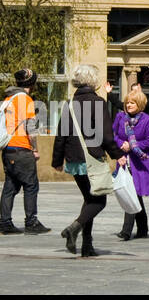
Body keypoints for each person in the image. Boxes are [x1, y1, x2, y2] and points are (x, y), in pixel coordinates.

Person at [52, 65, 124, 258]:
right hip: (92, 158)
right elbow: (107, 136)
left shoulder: (69, 104)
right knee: (99, 201)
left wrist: (57, 160)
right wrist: (118, 155)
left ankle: (86, 245)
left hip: (74, 160)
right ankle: (73, 228)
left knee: (89, 200)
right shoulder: (98, 103)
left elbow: (61, 134)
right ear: (93, 81)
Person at [1, 68, 48, 235]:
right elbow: (30, 127)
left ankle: (5, 223)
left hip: (8, 149)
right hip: (22, 148)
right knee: (31, 185)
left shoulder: (8, 98)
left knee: (10, 186)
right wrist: (34, 148)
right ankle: (31, 222)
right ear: (32, 83)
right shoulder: (26, 99)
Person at [112, 88, 149, 241]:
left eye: (132, 103)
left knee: (133, 194)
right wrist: (121, 144)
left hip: (140, 162)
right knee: (132, 194)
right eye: (127, 103)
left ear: (139, 104)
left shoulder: (147, 120)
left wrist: (133, 145)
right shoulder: (120, 117)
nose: (129, 105)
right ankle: (143, 228)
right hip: (125, 161)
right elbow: (114, 135)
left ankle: (126, 231)